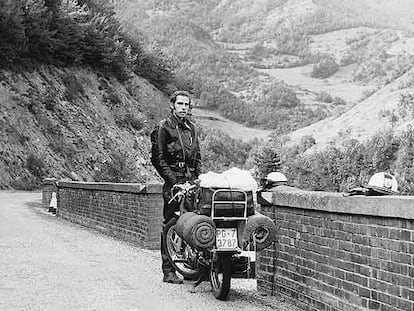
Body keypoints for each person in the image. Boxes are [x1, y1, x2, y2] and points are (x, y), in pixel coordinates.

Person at [151, 90, 202, 284]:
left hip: (191, 181)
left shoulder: (192, 128)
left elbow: (198, 157)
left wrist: (197, 178)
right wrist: (174, 182)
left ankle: (192, 267)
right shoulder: (163, 128)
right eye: (180, 104)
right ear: (172, 105)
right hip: (174, 182)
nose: (183, 108)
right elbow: (158, 159)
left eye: (186, 105)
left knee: (192, 222)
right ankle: (168, 271)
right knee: (171, 223)